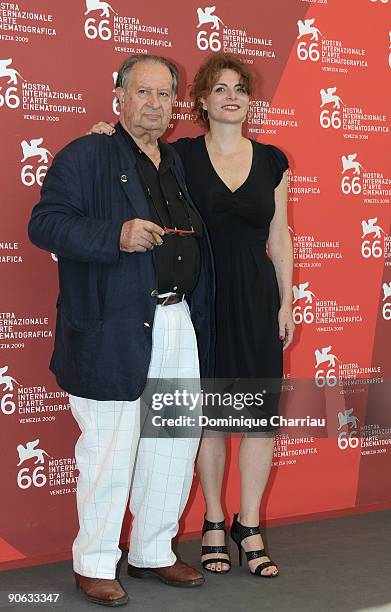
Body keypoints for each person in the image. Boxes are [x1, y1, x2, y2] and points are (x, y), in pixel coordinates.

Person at [90, 52, 294, 579]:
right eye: (219, 87)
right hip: (198, 298)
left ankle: (249, 527)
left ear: (250, 100)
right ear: (201, 101)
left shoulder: (274, 160)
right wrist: (101, 136)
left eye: (240, 88)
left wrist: (287, 299)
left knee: (256, 415)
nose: (231, 95)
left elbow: (281, 236)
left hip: (254, 297)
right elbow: (129, 154)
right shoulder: (178, 155)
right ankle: (212, 521)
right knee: (202, 415)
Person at [28, 54, 215, 607]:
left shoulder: (175, 162)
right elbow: (44, 223)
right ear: (119, 96)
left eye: (164, 95)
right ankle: (94, 561)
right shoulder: (86, 154)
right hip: (111, 326)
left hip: (177, 320)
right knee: (110, 448)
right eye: (143, 93)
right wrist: (116, 234)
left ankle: (153, 550)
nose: (154, 105)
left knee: (173, 440)